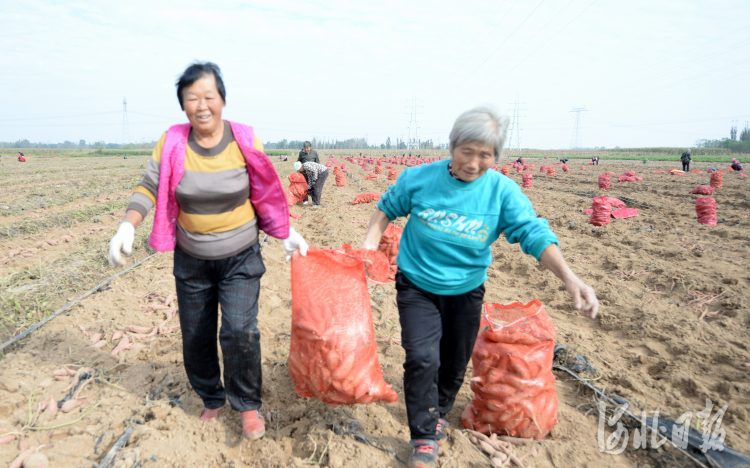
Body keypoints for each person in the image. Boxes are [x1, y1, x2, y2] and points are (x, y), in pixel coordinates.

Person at [359, 106, 599, 468]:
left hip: (467, 289)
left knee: (455, 362)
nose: (473, 163)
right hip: (417, 284)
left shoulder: (502, 192)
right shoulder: (418, 179)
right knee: (423, 358)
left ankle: (439, 408)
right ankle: (423, 436)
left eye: (484, 155)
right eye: (466, 152)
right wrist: (368, 244)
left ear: (496, 157)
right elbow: (386, 208)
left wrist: (570, 277)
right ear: (452, 147)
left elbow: (532, 233)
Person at [107, 62, 309, 441]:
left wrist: (285, 232)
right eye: (191, 98)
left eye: (208, 96)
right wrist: (128, 224)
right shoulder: (172, 142)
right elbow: (148, 185)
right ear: (183, 105)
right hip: (192, 259)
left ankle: (247, 405)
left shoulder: (245, 139)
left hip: (241, 257)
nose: (201, 105)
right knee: (196, 335)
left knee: (239, 331)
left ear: (223, 100)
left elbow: (264, 192)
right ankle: (212, 397)